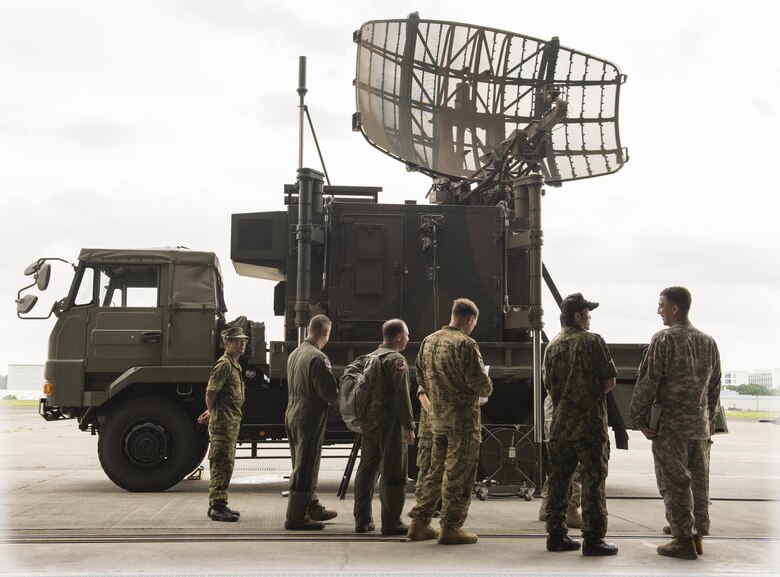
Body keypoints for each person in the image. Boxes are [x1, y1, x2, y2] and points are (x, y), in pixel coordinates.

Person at [630, 286, 721, 560]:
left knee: (675, 482)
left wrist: (638, 415)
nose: (658, 311)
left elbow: (649, 380)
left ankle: (682, 540)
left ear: (674, 309)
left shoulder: (664, 339)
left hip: (671, 426)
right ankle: (697, 534)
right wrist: (711, 417)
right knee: (699, 481)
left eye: (661, 305)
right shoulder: (708, 341)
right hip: (699, 425)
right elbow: (715, 385)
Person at [407, 298, 493, 545]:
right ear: (470, 319)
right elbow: (481, 385)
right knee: (459, 473)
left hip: (436, 421)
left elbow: (421, 379)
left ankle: (420, 523)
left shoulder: (428, 341)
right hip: (462, 422)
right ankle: (451, 528)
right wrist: (488, 384)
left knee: (433, 472)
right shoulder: (466, 344)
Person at [544, 293, 618, 556]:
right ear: (577, 316)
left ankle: (556, 535)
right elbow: (609, 381)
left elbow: (550, 387)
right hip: (589, 425)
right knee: (593, 481)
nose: (589, 318)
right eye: (587, 313)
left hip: (561, 425)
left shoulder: (551, 347)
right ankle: (594, 539)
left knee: (559, 481)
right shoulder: (593, 341)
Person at [353, 319, 416, 535]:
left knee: (366, 471)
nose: (408, 339)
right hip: (390, 424)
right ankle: (391, 521)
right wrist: (409, 426)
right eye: (406, 335)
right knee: (394, 472)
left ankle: (362, 520)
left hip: (369, 423)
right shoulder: (396, 360)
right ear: (398, 336)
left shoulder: (370, 357)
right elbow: (402, 397)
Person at [284, 314, 340, 530]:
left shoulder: (295, 354)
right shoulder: (317, 358)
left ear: (309, 329)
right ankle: (296, 517)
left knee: (300, 462)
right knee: (306, 465)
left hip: (292, 411)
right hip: (309, 415)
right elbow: (328, 393)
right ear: (325, 332)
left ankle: (312, 506)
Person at [197, 326, 249, 522]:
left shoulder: (235, 364)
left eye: (243, 340)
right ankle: (218, 506)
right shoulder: (224, 365)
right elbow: (211, 392)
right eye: (237, 340)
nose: (242, 343)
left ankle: (217, 504)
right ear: (227, 343)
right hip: (223, 424)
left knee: (226, 464)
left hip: (230, 423)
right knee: (221, 463)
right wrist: (211, 411)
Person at [538, 394, 583, 528]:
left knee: (556, 461)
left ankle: (546, 505)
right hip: (572, 407)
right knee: (573, 462)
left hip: (553, 407)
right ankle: (571, 510)